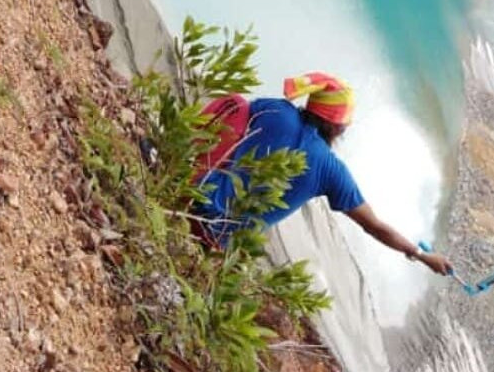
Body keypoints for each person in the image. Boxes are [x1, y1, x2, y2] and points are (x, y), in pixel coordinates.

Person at [191, 72, 453, 277]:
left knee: (235, 104)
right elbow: (375, 227)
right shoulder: (331, 170)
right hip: (219, 238)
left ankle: (174, 154)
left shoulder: (277, 110)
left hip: (193, 196)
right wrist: (422, 256)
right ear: (337, 128)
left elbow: (231, 126)